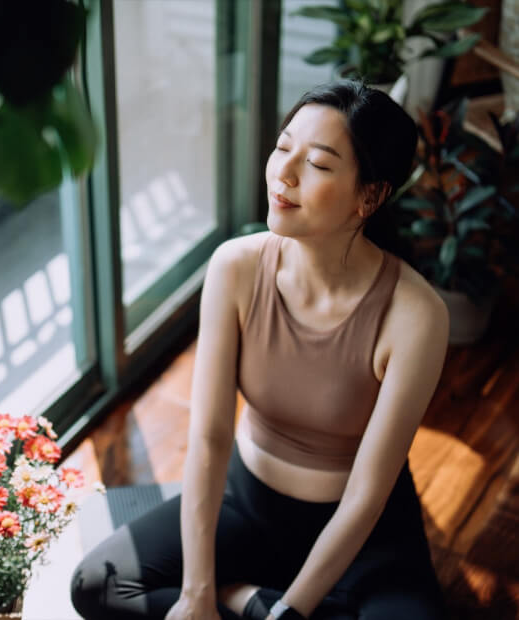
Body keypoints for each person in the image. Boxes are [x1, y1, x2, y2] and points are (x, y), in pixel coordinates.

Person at [70, 80, 449, 619]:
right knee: (97, 583)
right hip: (247, 505)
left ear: (370, 196)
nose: (284, 175)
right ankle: (241, 598)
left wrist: (290, 612)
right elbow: (209, 435)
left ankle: (264, 600)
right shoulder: (236, 266)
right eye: (282, 147)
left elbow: (367, 494)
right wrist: (199, 592)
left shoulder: (417, 315)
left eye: (317, 164)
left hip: (363, 536)